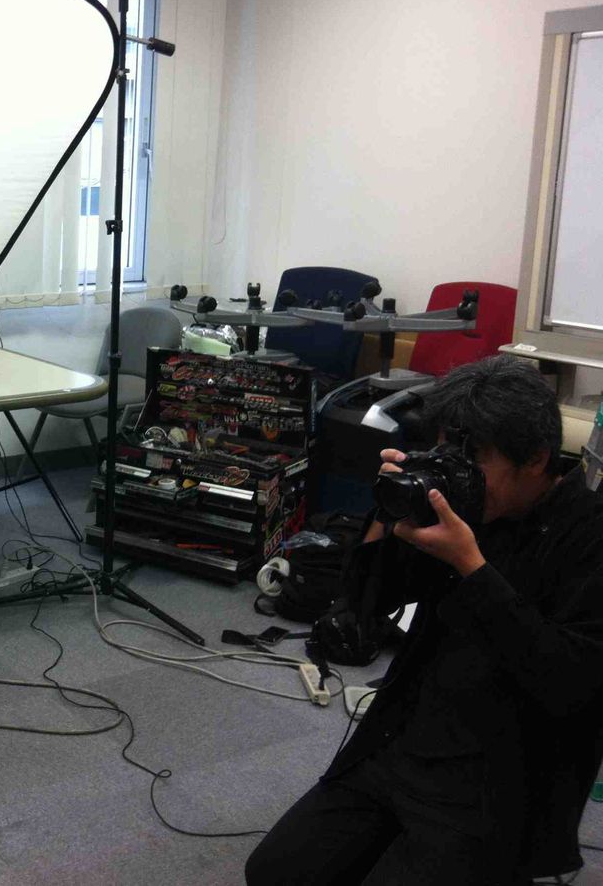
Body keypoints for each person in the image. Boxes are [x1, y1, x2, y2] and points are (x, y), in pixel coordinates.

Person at [246, 354, 603, 885]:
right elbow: (366, 610)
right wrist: (390, 516)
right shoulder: (466, 503)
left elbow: (570, 685)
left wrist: (472, 567)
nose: (457, 469)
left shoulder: (589, 534)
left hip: (497, 779)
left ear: (535, 459)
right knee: (274, 873)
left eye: (474, 457)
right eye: (448, 451)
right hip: (404, 741)